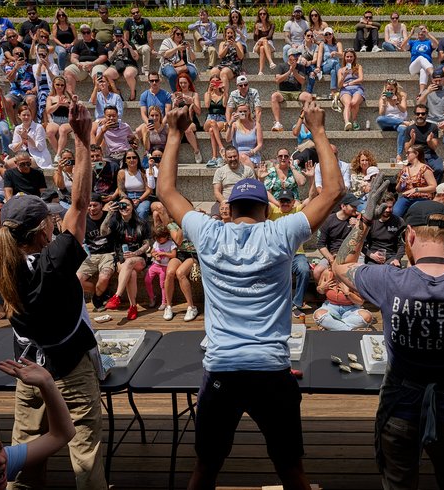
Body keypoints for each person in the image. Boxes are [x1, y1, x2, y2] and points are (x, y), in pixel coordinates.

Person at [157, 96, 344, 489]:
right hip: (270, 371)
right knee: (291, 471)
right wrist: (319, 130)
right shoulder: (279, 233)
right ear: (262, 208)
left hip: (222, 369)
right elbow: (333, 193)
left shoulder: (208, 233)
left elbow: (167, 190)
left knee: (205, 470)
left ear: (231, 206)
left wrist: (174, 133)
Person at [331, 179, 444, 490]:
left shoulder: (390, 280)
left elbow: (341, 266)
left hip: (400, 406)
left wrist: (366, 218)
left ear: (410, 235)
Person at [0, 95, 107, 488]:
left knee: (26, 453)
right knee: (85, 455)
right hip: (67, 367)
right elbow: (79, 204)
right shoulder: (54, 262)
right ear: (41, 231)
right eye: (49, 218)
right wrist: (81, 141)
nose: (55, 220)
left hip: (26, 368)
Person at [0, 359, 76, 488]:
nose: (1, 460)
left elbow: (61, 435)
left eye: (0, 448)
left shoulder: (0, 459)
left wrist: (47, 383)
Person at [102, 196, 150, 321]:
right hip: (121, 259)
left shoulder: (141, 223)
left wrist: (136, 253)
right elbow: (103, 232)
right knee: (131, 274)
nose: (124, 208)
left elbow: (146, 244)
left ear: (132, 207)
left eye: (127, 205)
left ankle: (117, 296)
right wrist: (109, 214)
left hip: (139, 259)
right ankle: (133, 306)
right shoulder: (115, 222)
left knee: (130, 262)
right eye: (121, 205)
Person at [268, 188, 312, 316]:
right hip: (277, 253)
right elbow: (263, 199)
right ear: (278, 201)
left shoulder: (297, 211)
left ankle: (296, 304)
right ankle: (273, 303)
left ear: (293, 202)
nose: (285, 204)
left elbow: (312, 198)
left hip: (297, 253)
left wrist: (312, 178)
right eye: (282, 201)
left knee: (304, 269)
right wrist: (260, 179)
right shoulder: (272, 210)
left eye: (288, 201)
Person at [76, 193, 115, 312]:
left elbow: (105, 232)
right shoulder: (83, 220)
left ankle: (97, 298)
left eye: (95, 205)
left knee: (104, 277)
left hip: (108, 253)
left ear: (101, 205)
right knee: (77, 280)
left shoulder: (110, 217)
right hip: (91, 255)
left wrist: (110, 214)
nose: (92, 209)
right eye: (89, 206)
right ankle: (100, 292)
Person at [315, 193, 363, 282]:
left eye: (356, 206)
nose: (355, 208)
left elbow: (361, 242)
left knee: (361, 271)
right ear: (343, 206)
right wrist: (331, 259)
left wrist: (357, 227)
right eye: (353, 206)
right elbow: (321, 244)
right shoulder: (329, 220)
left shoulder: (357, 220)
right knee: (317, 272)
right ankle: (322, 294)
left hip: (351, 254)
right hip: (333, 254)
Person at [270, 49, 312, 132]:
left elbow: (302, 81)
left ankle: (304, 120)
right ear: (290, 56)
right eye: (295, 55)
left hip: (297, 92)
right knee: (274, 96)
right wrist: (289, 71)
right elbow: (278, 80)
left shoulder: (301, 67)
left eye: (298, 56)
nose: (297, 57)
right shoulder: (281, 66)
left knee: (308, 96)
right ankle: (277, 122)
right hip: (283, 92)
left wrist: (294, 71)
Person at [402, 104, 443, 182]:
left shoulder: (433, 127)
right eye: (418, 114)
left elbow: (434, 147)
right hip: (416, 156)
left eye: (423, 114)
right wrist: (412, 140)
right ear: (415, 115)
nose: (420, 116)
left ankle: (433, 189)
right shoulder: (409, 129)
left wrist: (429, 141)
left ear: (426, 115)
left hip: (430, 155)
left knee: (439, 169)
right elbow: (406, 149)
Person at [393, 145, 437, 217]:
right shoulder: (405, 169)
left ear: (416, 153)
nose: (406, 155)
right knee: (395, 212)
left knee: (414, 211)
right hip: (406, 198)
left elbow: (434, 187)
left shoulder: (425, 169)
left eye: (408, 153)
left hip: (422, 198)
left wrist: (416, 190)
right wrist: (400, 182)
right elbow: (398, 190)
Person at [63, 25, 108, 95]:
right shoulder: (78, 44)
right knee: (68, 72)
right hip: (82, 65)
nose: (86, 34)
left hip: (96, 64)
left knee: (99, 75)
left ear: (91, 33)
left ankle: (100, 97)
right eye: (84, 32)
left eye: (88, 32)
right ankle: (71, 98)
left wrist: (92, 64)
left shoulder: (97, 43)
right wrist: (78, 63)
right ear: (81, 34)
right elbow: (73, 58)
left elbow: (103, 57)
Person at [363, 193, 405, 267]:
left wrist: (397, 259)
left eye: (390, 207)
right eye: (385, 207)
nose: (388, 210)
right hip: (373, 256)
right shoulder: (370, 221)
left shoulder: (399, 221)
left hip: (391, 256)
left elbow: (401, 244)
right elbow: (361, 244)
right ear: (378, 206)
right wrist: (371, 255)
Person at [144, 225, 176, 310]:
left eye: (161, 238)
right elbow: (152, 251)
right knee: (147, 280)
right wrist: (154, 255)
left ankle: (164, 301)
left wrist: (164, 254)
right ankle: (151, 297)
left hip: (165, 267)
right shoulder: (156, 243)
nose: (159, 240)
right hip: (155, 265)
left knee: (163, 284)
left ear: (166, 236)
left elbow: (173, 255)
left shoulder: (170, 243)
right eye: (156, 238)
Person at [102, 28, 139, 102]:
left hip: (129, 64)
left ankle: (132, 93)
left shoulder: (129, 43)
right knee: (106, 74)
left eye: (120, 36)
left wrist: (129, 47)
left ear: (123, 36)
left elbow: (136, 57)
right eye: (117, 36)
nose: (119, 38)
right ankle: (116, 92)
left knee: (128, 74)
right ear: (113, 36)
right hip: (117, 64)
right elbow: (110, 59)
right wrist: (115, 50)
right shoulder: (111, 45)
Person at [376, 79, 409, 162]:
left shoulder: (402, 96)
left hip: (398, 123)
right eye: (388, 90)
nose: (389, 91)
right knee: (379, 119)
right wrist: (383, 103)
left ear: (396, 89)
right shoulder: (382, 98)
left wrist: (397, 102)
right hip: (388, 123)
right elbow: (381, 114)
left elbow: (404, 110)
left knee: (403, 129)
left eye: (391, 90)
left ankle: (399, 155)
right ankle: (403, 122)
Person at [3, 47, 37, 126]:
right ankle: (15, 124)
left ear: (25, 56)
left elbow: (38, 82)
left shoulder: (32, 67)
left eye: (20, 53)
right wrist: (16, 67)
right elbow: (10, 79)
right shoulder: (9, 66)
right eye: (16, 54)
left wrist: (33, 90)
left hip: (29, 91)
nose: (19, 55)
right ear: (13, 56)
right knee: (6, 100)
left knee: (31, 100)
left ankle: (31, 124)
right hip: (15, 91)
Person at [159, 27, 197, 93]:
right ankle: (176, 92)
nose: (180, 36)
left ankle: (186, 90)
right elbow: (165, 54)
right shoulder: (167, 41)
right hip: (169, 64)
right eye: (178, 34)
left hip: (185, 64)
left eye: (181, 34)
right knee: (172, 74)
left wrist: (189, 48)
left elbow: (193, 59)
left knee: (193, 73)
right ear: (173, 34)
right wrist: (177, 48)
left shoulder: (184, 43)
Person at [402, 25, 437, 95]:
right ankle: (434, 75)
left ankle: (421, 92)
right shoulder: (413, 42)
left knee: (423, 70)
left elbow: (436, 44)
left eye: (422, 29)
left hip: (426, 67)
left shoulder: (428, 42)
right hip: (414, 67)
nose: (421, 31)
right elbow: (403, 46)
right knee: (421, 58)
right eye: (419, 29)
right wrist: (410, 35)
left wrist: (428, 34)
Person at [116, 149, 151, 220]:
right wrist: (128, 200)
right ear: (125, 160)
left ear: (138, 159)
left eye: (134, 157)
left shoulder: (142, 172)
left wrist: (139, 200)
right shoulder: (122, 172)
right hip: (126, 197)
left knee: (142, 211)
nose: (131, 159)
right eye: (128, 158)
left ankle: (140, 230)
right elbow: (120, 190)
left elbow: (149, 190)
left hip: (142, 198)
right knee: (123, 210)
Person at [203, 75, 228, 167]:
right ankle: (221, 147)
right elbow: (207, 105)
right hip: (210, 118)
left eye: (217, 81)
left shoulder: (223, 94)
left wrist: (224, 90)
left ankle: (214, 157)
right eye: (213, 82)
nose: (215, 83)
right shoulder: (207, 94)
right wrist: (209, 91)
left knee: (211, 130)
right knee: (212, 123)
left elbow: (225, 105)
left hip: (221, 118)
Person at [338, 49, 366, 132]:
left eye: (351, 56)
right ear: (344, 58)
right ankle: (347, 123)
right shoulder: (340, 70)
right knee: (347, 103)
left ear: (354, 57)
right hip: (345, 90)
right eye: (347, 57)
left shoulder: (358, 67)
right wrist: (344, 75)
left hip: (357, 88)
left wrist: (351, 82)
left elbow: (361, 79)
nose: (349, 58)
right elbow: (339, 85)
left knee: (353, 103)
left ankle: (354, 121)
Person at [123, 7, 155, 76]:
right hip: (133, 44)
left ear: (140, 13)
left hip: (143, 44)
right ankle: (132, 69)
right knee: (129, 51)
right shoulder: (128, 21)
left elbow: (149, 37)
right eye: (133, 13)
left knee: (146, 49)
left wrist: (152, 49)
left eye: (137, 12)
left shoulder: (146, 21)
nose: (136, 14)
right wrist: (127, 45)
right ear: (131, 15)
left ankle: (146, 70)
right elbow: (126, 35)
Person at [211, 26, 244, 91]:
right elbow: (220, 55)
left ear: (234, 34)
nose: (230, 34)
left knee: (224, 72)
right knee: (213, 71)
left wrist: (235, 46)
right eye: (228, 33)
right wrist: (227, 46)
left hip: (235, 65)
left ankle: (224, 94)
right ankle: (217, 91)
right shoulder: (222, 43)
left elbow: (241, 57)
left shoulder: (238, 43)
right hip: (224, 64)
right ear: (225, 35)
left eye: (231, 33)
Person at [319, 28, 343, 99]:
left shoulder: (338, 44)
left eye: (329, 34)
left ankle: (333, 92)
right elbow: (320, 56)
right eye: (326, 34)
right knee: (335, 62)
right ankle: (341, 84)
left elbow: (341, 55)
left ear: (332, 34)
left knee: (333, 71)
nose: (328, 35)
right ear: (324, 36)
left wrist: (336, 53)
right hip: (326, 65)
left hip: (335, 67)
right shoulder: (322, 44)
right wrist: (318, 67)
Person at [253, 8, 276, 76]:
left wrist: (262, 39)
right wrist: (256, 31)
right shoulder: (257, 24)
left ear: (267, 15)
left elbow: (269, 36)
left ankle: (260, 71)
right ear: (259, 15)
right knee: (262, 44)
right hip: (258, 44)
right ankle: (271, 62)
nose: (262, 15)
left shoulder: (271, 24)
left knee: (262, 48)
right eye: (260, 14)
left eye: (264, 14)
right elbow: (255, 39)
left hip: (269, 44)